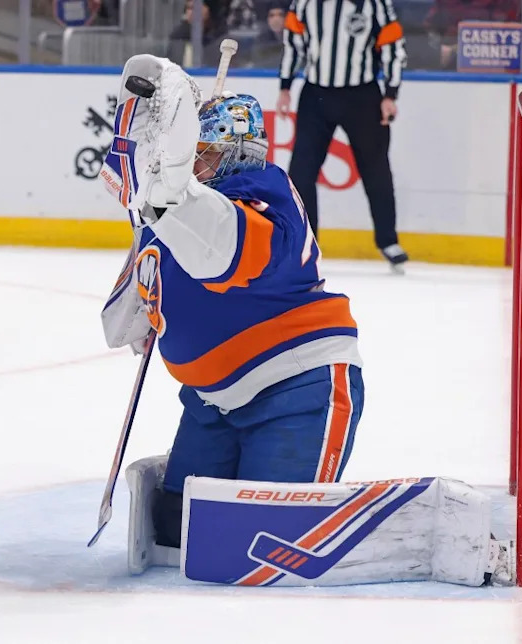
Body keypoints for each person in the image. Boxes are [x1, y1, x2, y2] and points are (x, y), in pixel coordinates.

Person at [100, 55, 365, 549]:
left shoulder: (265, 193)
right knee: (176, 532)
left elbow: (218, 254)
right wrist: (144, 313)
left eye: (202, 152)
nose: (191, 163)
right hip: (209, 402)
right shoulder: (174, 212)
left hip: (296, 391)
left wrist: (166, 195)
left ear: (236, 151)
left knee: (264, 543)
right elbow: (145, 282)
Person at [277, 0, 410, 271]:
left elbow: (393, 47)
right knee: (301, 173)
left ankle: (388, 241)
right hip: (316, 94)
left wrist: (390, 93)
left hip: (362, 96)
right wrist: (285, 86)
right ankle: (307, 243)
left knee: (376, 169)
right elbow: (293, 44)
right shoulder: (304, 3)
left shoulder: (375, 4)